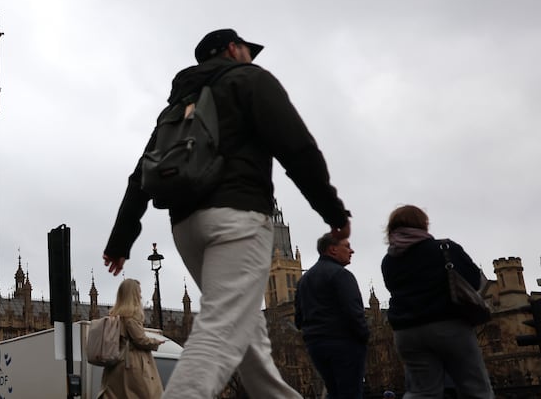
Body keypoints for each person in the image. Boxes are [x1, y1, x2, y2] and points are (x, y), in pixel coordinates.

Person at [103, 28, 352, 399]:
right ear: (234, 50)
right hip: (237, 218)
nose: (251, 57)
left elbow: (141, 173)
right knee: (219, 330)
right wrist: (332, 209)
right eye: (248, 51)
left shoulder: (177, 105)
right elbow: (297, 147)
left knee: (251, 342)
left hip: (186, 228)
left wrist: (121, 240)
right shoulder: (249, 80)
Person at [380, 205, 493, 399]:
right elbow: (474, 280)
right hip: (448, 325)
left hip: (406, 332)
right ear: (423, 224)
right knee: (475, 389)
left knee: (422, 392)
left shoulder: (389, 260)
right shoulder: (444, 248)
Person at [294, 233, 368, 399]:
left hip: (315, 345)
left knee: (333, 391)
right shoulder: (341, 275)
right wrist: (363, 336)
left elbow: (298, 319)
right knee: (350, 393)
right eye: (347, 246)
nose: (352, 251)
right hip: (344, 343)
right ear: (333, 250)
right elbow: (354, 310)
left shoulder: (304, 280)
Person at [98, 278, 164, 399]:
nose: (140, 295)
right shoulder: (130, 317)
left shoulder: (115, 316)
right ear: (132, 294)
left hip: (116, 366)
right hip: (132, 365)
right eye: (138, 292)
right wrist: (156, 341)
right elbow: (140, 340)